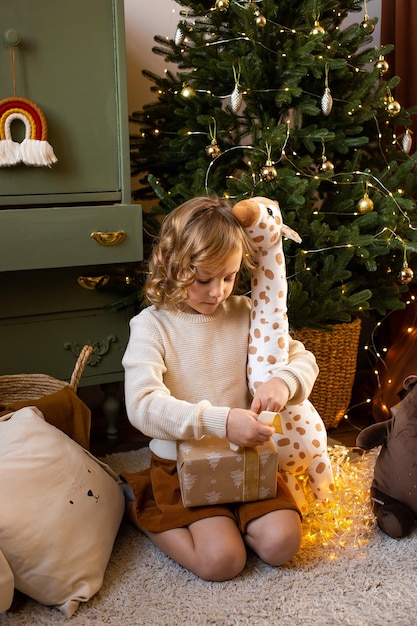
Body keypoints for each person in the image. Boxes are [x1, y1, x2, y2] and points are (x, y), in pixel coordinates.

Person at [122, 195, 319, 581]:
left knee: (282, 544)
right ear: (173, 266)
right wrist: (221, 421)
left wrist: (285, 380)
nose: (218, 291)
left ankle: (234, 520)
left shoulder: (245, 312)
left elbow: (303, 358)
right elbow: (142, 405)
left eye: (228, 277)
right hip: (183, 464)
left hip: (247, 458)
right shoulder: (151, 325)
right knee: (222, 561)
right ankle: (141, 509)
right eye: (204, 279)